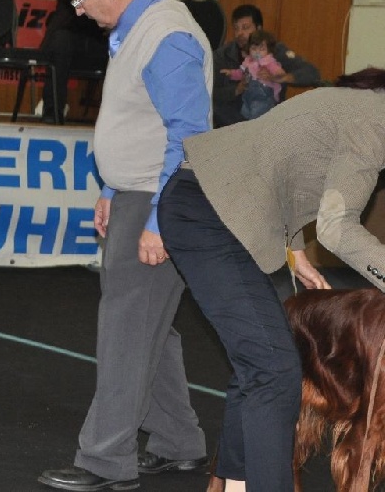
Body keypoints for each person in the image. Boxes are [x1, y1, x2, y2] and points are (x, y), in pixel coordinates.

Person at [157, 67, 385, 491]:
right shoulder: (373, 125)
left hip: (214, 207)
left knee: (261, 361)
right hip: (208, 214)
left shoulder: (364, 108)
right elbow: (337, 228)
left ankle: (232, 483)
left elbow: (284, 160)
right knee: (275, 369)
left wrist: (295, 247)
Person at [38, 0, 211, 492]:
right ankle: (180, 443)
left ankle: (106, 461)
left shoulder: (168, 33)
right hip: (136, 193)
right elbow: (141, 122)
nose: (76, 10)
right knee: (148, 330)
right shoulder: (136, 28)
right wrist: (111, 188)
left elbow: (190, 136)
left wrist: (160, 220)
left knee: (125, 331)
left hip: (160, 200)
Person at [213, 4, 320, 127]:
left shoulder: (275, 51)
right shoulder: (221, 56)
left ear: (259, 29)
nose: (239, 33)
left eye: (245, 27)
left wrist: (280, 77)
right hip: (231, 122)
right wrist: (237, 89)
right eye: (236, 28)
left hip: (268, 120)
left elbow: (312, 72)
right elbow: (210, 93)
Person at [220, 29, 286, 119]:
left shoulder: (269, 62)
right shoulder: (248, 62)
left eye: (262, 49)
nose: (257, 52)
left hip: (263, 96)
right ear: (249, 49)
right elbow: (241, 73)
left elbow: (279, 72)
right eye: (254, 49)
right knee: (245, 113)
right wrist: (231, 73)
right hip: (248, 95)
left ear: (269, 51)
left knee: (256, 116)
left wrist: (276, 74)